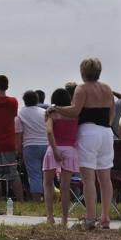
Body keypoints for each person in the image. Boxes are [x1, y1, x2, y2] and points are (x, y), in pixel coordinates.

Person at [49, 58, 116, 229]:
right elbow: (112, 114)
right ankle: (106, 217)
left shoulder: (82, 88)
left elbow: (75, 111)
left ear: (83, 71)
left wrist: (56, 108)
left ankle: (90, 218)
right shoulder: (107, 89)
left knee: (88, 178)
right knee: (105, 178)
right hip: (106, 132)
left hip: (88, 132)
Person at [42, 88, 78, 226]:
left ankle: (50, 217)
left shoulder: (52, 114)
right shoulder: (75, 115)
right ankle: (64, 219)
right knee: (65, 187)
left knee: (48, 184)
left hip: (53, 149)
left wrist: (55, 150)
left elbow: (50, 132)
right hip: (70, 151)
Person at [16, 90, 48, 201]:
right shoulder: (44, 112)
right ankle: (48, 199)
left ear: (24, 100)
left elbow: (19, 133)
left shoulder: (20, 113)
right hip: (46, 145)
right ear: (37, 100)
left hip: (30, 146)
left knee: (35, 175)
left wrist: (19, 150)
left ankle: (37, 200)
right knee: (47, 175)